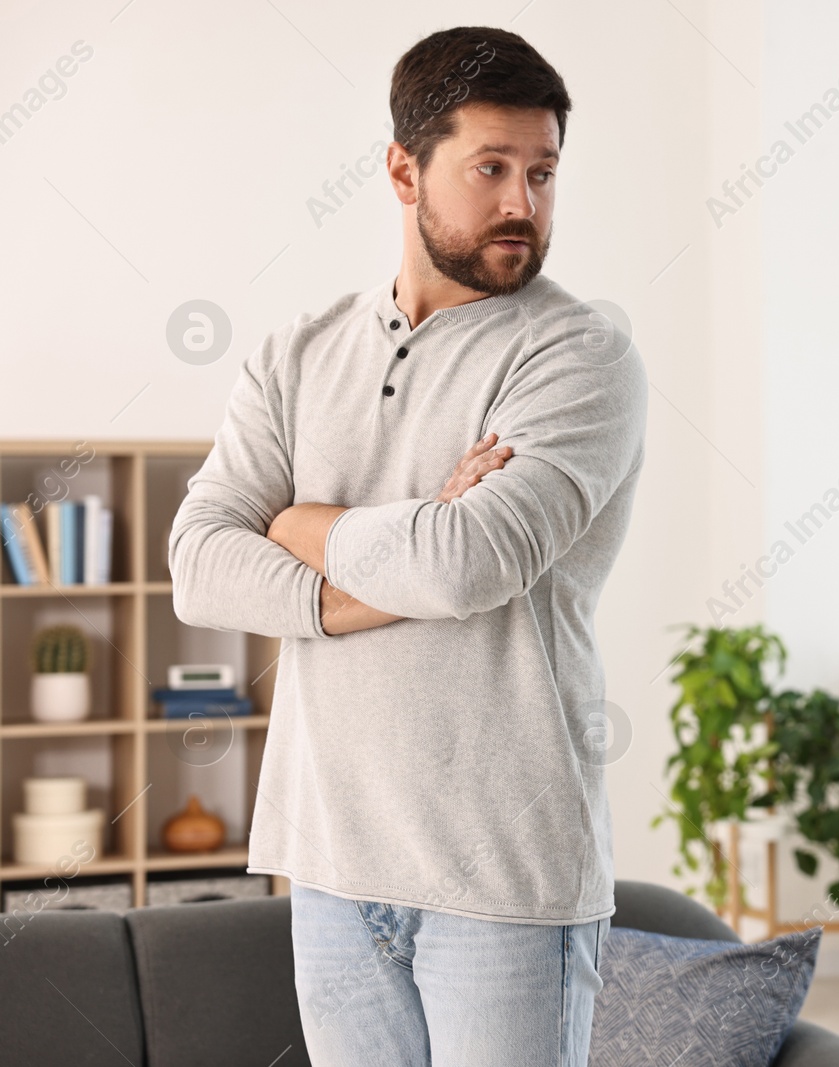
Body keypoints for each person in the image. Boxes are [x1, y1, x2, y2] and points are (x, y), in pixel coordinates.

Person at [167, 26, 647, 1067]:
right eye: (491, 169)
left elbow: (467, 563)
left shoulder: (579, 352)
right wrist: (387, 562)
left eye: (543, 172)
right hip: (331, 864)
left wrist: (296, 525)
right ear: (402, 168)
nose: (523, 202)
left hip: (505, 878)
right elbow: (200, 561)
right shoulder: (296, 353)